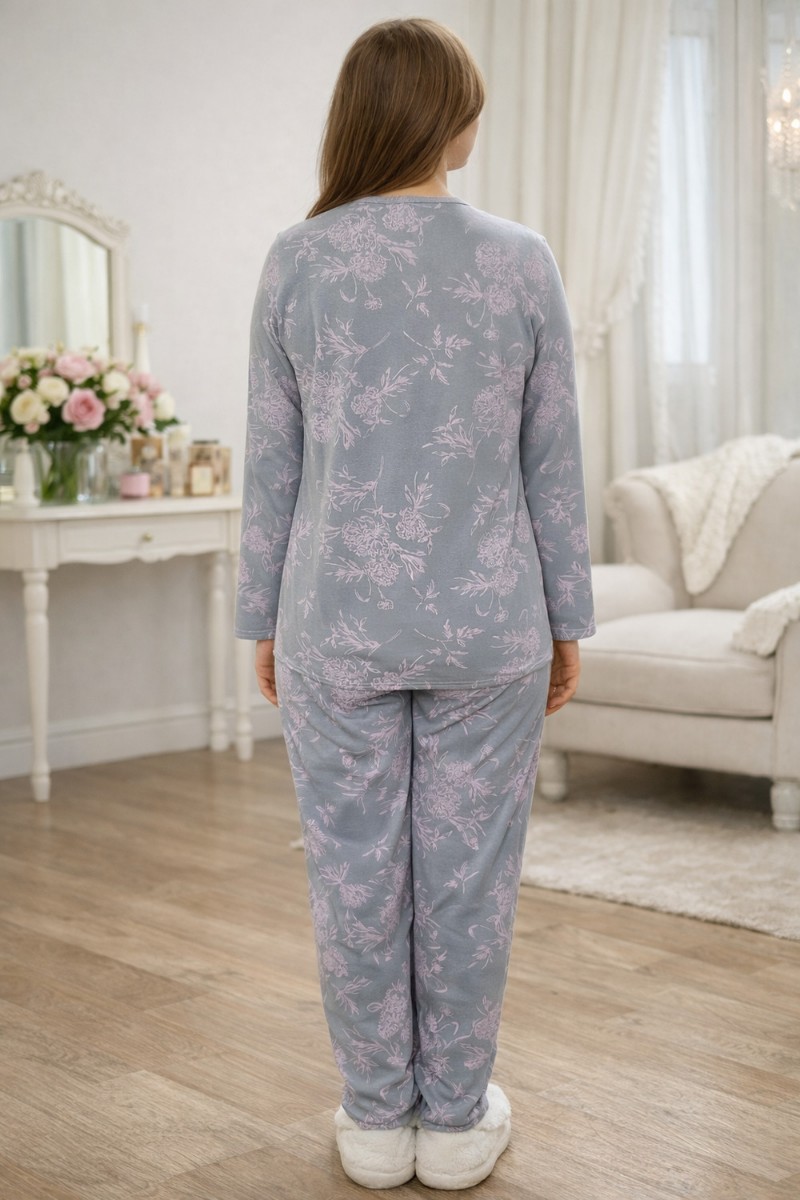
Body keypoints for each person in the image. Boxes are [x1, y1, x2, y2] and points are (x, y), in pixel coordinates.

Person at [235, 16, 596, 1191]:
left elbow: (272, 464)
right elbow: (552, 463)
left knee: (351, 874)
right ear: (448, 118)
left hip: (331, 621)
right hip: (488, 625)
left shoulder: (296, 260)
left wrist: (259, 619)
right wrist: (567, 619)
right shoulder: (520, 259)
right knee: (465, 881)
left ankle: (374, 1118)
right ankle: (453, 1122)